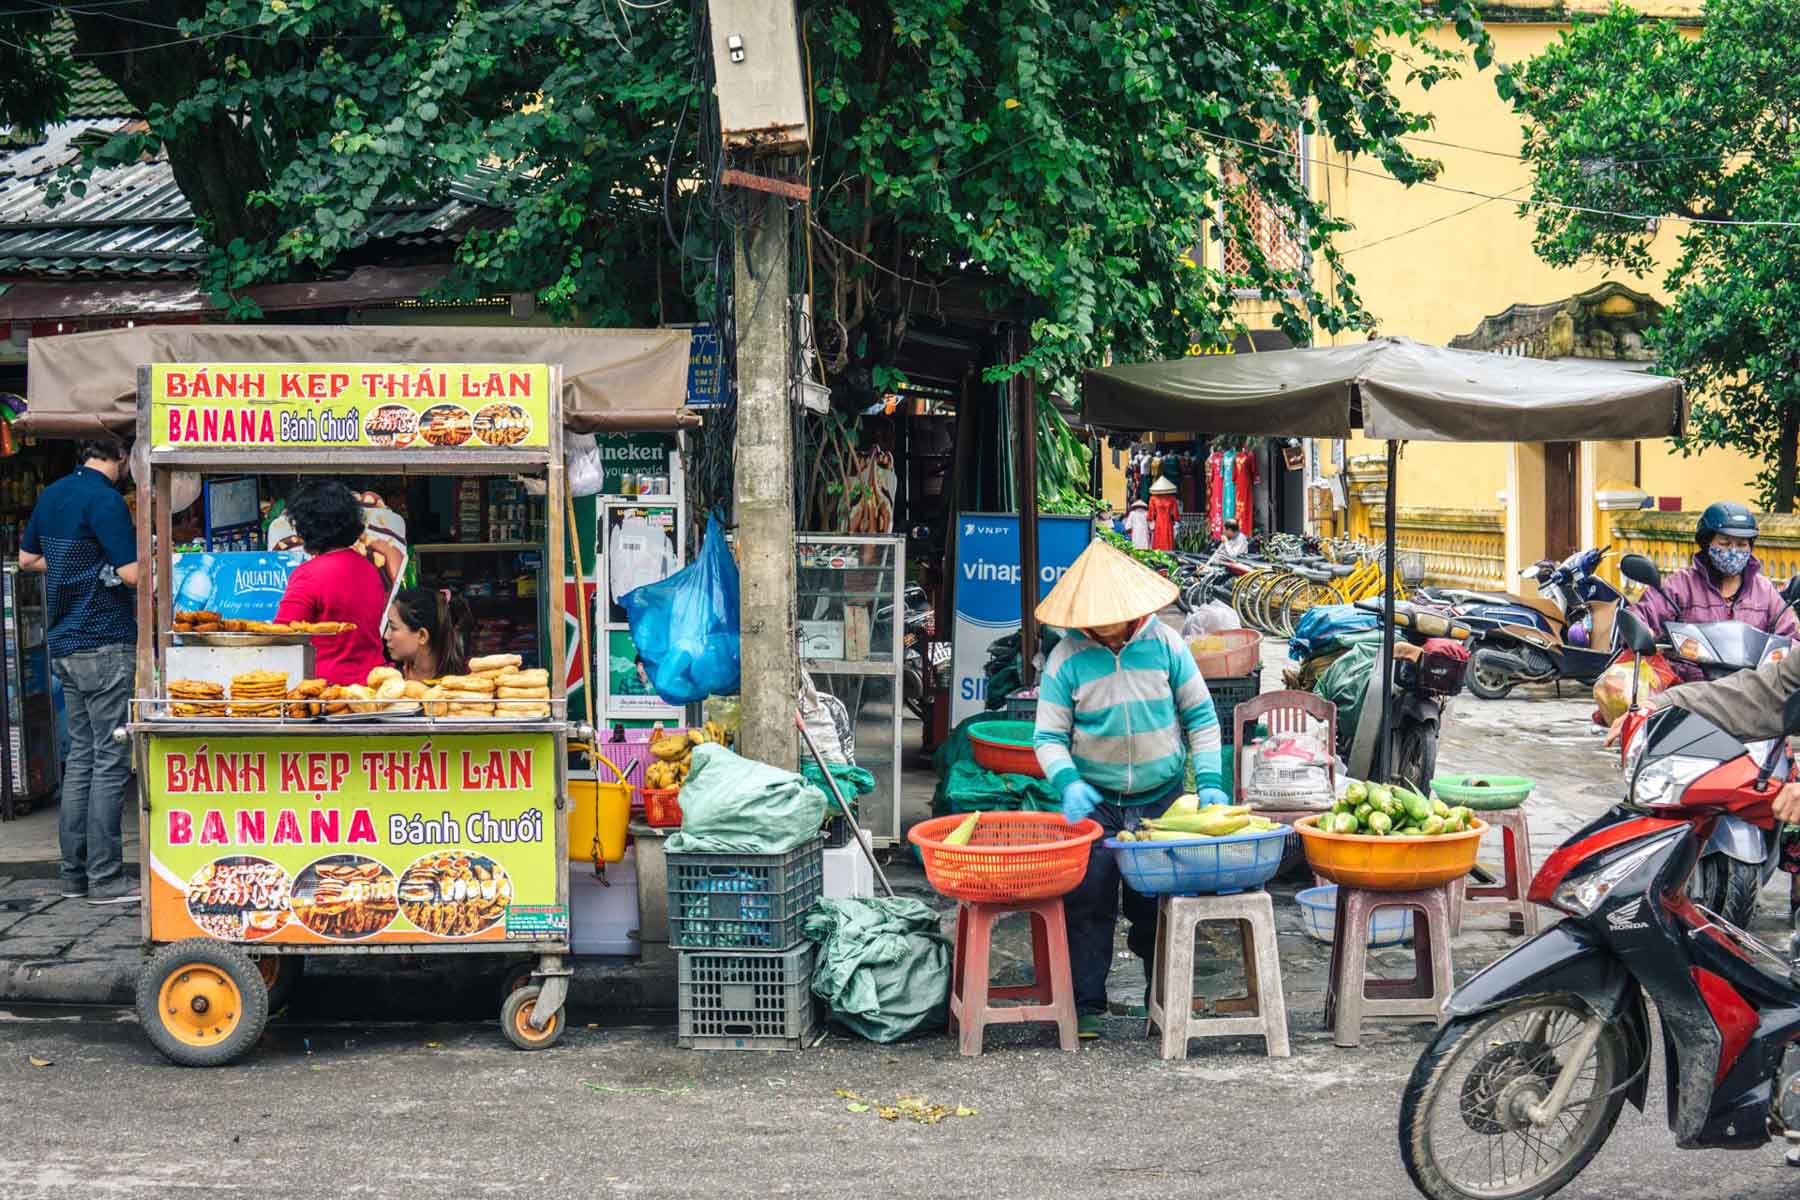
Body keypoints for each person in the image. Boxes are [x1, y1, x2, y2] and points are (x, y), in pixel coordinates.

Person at [1033, 539, 1224, 1039]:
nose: (1103, 626)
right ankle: (1087, 1003)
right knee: (1088, 901)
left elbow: (1201, 719)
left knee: (1154, 905)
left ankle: (1158, 995)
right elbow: (1048, 737)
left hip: (1161, 801)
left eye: (1111, 617)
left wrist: (1210, 783)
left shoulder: (1167, 646)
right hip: (1095, 803)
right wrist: (1068, 781)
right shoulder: (1066, 658)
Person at [20, 436, 140, 905]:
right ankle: (107, 878)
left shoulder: (52, 494)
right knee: (110, 763)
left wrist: (74, 570)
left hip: (65, 643)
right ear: (121, 458)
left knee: (83, 762)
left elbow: (30, 559)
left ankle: (74, 876)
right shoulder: (105, 500)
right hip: (105, 642)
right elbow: (131, 573)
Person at [1631, 502, 1796, 680]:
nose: (1733, 551)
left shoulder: (1765, 591)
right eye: (1724, 543)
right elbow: (1641, 615)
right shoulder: (1680, 585)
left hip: (1751, 692)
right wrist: (1643, 632)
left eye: (1742, 544)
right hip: (1690, 691)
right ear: (1706, 544)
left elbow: (1791, 638)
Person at [273, 481, 389, 685]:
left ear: (306, 528)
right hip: (372, 685)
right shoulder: (369, 569)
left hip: (325, 691)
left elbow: (283, 637)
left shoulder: (308, 575)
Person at [384, 586, 473, 681]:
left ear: (422, 636)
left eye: (393, 628)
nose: (385, 636)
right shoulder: (389, 681)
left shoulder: (459, 687)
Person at [1148, 475, 1180, 552]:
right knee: (1159, 539)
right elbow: (1151, 512)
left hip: (1168, 522)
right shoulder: (1153, 498)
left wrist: (1176, 520)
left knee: (1167, 539)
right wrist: (1151, 522)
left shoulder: (1172, 499)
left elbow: (1175, 512)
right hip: (1158, 522)